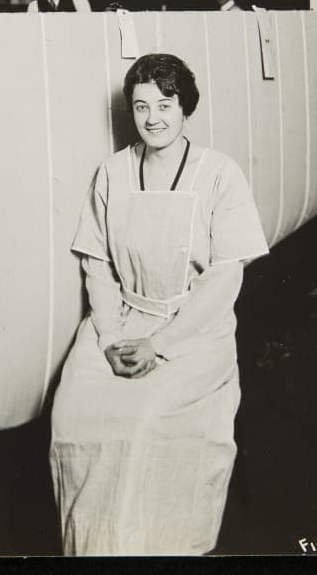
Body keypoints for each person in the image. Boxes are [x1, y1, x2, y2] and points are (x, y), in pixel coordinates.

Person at [49, 53, 269, 555]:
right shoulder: (112, 172)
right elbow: (97, 264)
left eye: (165, 105)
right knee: (73, 414)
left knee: (143, 422)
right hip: (122, 320)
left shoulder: (219, 174)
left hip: (193, 329)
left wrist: (161, 345)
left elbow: (224, 278)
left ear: (185, 107)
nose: (153, 118)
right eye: (141, 106)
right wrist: (109, 338)